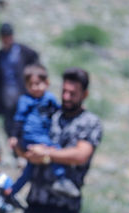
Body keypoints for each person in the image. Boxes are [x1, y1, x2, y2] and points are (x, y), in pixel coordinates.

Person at [19, 67, 103, 213]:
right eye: (64, 91)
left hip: (65, 203)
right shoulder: (50, 114)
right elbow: (30, 139)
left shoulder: (90, 123)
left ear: (84, 94)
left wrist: (47, 154)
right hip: (37, 198)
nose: (66, 97)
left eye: (72, 93)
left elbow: (80, 155)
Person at [10, 64, 80, 198]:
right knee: (55, 149)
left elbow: (59, 110)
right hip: (32, 135)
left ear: (46, 83)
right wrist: (14, 136)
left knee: (29, 169)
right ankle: (61, 179)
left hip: (41, 135)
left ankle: (11, 192)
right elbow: (18, 119)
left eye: (38, 84)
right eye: (31, 85)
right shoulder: (25, 100)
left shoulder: (49, 98)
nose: (35, 88)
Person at [0, 23, 39, 140]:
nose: (6, 39)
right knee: (9, 125)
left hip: (22, 93)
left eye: (8, 36)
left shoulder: (24, 51)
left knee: (24, 123)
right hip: (6, 96)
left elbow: (35, 62)